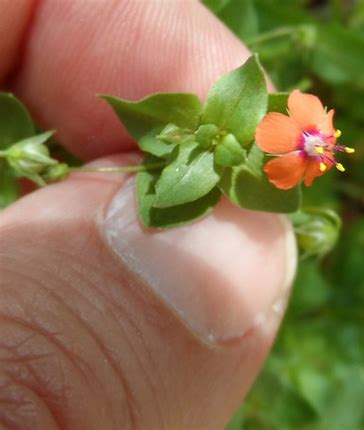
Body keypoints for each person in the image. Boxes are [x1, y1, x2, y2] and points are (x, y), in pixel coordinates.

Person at [0, 1, 296, 428]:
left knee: (305, 146)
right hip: (203, 152)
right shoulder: (206, 146)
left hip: (220, 151)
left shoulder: (242, 153)